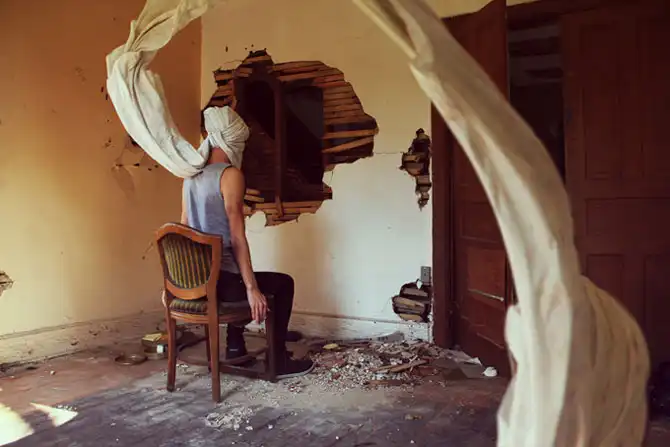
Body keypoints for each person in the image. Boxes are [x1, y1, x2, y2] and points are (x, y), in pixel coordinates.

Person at [180, 107, 314, 379]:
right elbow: (237, 237)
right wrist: (252, 289)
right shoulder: (230, 175)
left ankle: (235, 347)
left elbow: (181, 231)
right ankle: (278, 361)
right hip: (224, 286)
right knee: (282, 283)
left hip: (196, 284)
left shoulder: (190, 177)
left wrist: (175, 284)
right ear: (231, 139)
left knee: (242, 275)